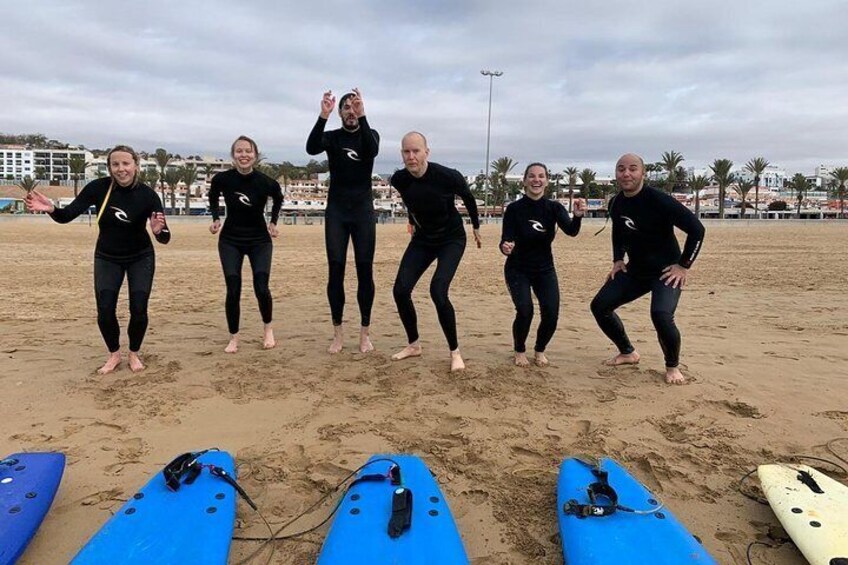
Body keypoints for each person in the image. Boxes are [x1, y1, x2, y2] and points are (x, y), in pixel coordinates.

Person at [25, 145, 170, 374]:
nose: (121, 169)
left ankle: (133, 353)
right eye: (115, 164)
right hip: (107, 257)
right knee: (104, 309)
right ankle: (114, 354)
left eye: (126, 164)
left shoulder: (148, 195)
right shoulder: (98, 188)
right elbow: (66, 216)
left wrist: (158, 231)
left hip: (140, 256)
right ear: (110, 167)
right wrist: (51, 208)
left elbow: (165, 238)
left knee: (139, 308)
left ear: (135, 165)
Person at [590, 153, 705, 384]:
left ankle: (672, 367)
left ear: (643, 173)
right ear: (616, 174)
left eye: (633, 168)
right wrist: (617, 259)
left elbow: (697, 230)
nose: (626, 173)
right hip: (636, 271)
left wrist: (683, 266)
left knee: (661, 315)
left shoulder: (659, 200)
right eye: (621, 169)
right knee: (600, 306)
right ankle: (628, 352)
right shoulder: (616, 202)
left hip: (666, 272)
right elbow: (619, 230)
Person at [390, 132, 481, 372]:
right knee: (400, 290)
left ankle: (455, 352)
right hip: (423, 239)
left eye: (416, 151)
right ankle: (414, 345)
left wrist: (476, 228)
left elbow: (469, 199)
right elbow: (411, 200)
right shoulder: (398, 179)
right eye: (406, 152)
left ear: (426, 152)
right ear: (402, 154)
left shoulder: (447, 176)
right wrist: (411, 220)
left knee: (437, 290)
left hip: (451, 238)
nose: (411, 156)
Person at [306, 88, 379, 354]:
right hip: (337, 211)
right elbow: (311, 147)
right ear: (339, 113)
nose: (351, 111)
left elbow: (371, 151)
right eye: (346, 108)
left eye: (354, 107)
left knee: (364, 270)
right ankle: (337, 334)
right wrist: (322, 116)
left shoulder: (370, 135)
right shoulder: (332, 138)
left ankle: (364, 334)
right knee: (335, 269)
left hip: (362, 212)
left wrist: (364, 116)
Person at [500, 163, 585, 367]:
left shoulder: (554, 208)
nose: (536, 180)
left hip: (544, 269)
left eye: (540, 176)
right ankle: (519, 349)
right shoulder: (514, 209)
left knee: (551, 313)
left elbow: (571, 231)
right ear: (525, 181)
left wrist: (578, 217)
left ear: (547, 181)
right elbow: (505, 240)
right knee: (525, 310)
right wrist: (505, 247)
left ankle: (539, 349)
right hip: (517, 268)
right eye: (531, 176)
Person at [209, 135, 283, 353]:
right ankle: (234, 337)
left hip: (260, 240)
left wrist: (273, 222)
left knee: (261, 287)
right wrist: (215, 218)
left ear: (255, 155)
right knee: (233, 289)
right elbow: (213, 195)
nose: (244, 155)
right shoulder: (222, 179)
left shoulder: (265, 182)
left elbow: (278, 198)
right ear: (233, 155)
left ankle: (268, 329)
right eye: (239, 151)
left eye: (248, 151)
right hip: (230, 240)